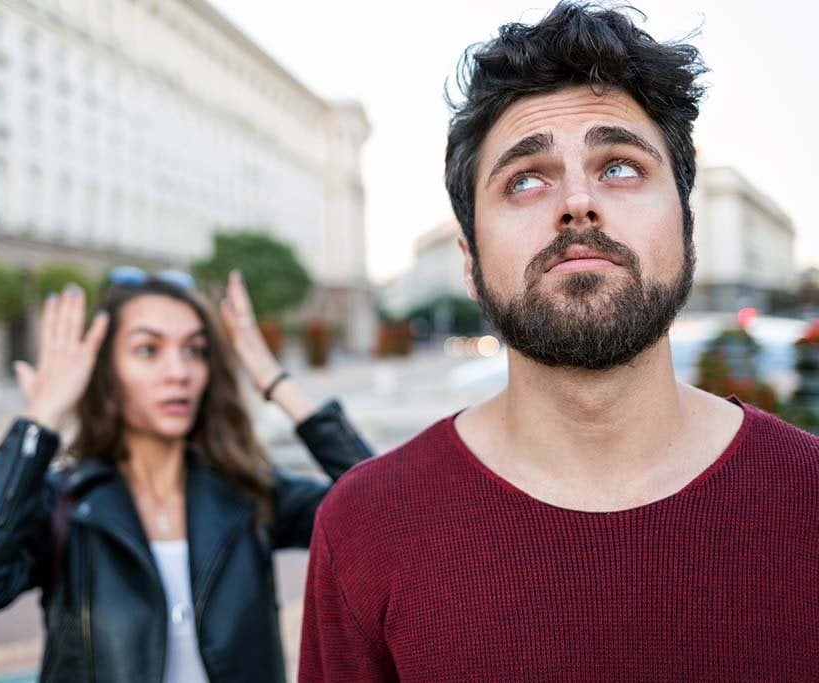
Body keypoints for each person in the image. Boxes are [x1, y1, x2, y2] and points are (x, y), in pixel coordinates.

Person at [298, 3, 819, 681]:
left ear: (687, 228)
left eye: (621, 166)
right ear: (469, 257)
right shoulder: (363, 528)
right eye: (526, 178)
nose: (576, 200)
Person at [0, 268, 372, 682]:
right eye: (148, 349)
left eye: (195, 350)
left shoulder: (250, 492)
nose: (178, 373)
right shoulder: (65, 504)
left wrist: (273, 379)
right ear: (104, 371)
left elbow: (384, 514)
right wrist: (42, 417)